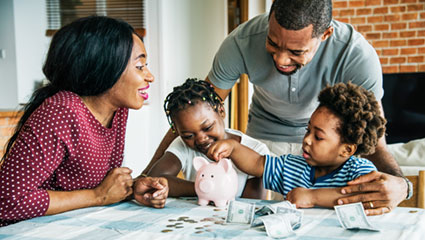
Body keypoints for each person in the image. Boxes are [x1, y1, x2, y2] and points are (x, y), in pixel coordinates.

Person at [145, 0, 410, 215]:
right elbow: (197, 109)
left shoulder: (356, 55)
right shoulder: (241, 41)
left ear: (326, 34)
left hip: (326, 140)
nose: (281, 59)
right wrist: (145, 176)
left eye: (296, 51)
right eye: (273, 43)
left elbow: (376, 143)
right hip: (264, 138)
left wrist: (402, 185)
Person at [0, 16, 168, 227]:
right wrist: (98, 196)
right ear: (105, 66)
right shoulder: (61, 111)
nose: (150, 76)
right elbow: (7, 201)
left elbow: (96, 187)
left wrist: (131, 189)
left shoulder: (118, 111)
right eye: (140, 66)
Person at [207, 82, 384, 210]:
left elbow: (361, 197)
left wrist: (312, 197)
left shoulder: (359, 171)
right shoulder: (293, 167)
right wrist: (233, 148)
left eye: (318, 137)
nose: (307, 140)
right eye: (308, 131)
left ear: (347, 149)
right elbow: (257, 163)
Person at [138, 79, 269, 199]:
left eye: (207, 127)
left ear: (221, 111)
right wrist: (202, 189)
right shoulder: (183, 145)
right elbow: (154, 179)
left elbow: (253, 203)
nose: (201, 139)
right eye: (188, 136)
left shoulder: (256, 150)